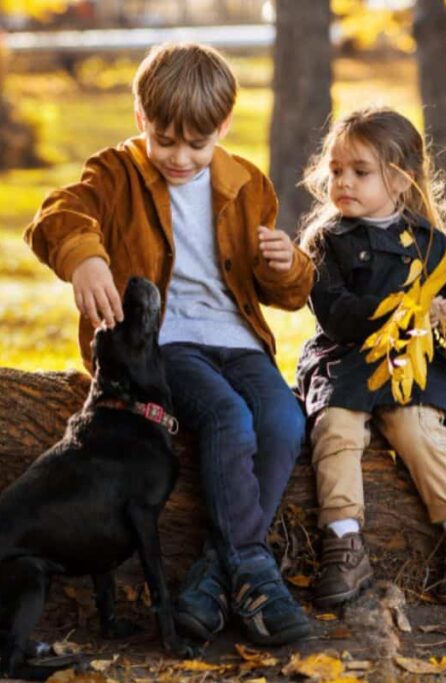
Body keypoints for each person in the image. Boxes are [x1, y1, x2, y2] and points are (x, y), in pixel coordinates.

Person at [23, 42, 315, 646]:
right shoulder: (116, 172)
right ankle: (254, 569)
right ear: (140, 119)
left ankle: (215, 574)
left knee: (285, 421)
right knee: (228, 416)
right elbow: (58, 213)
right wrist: (84, 261)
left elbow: (279, 291)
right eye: (165, 141)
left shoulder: (248, 184)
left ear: (224, 127)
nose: (179, 158)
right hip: (162, 346)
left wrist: (289, 266)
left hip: (236, 339)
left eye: (196, 145)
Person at [295, 106, 446, 607]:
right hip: (347, 358)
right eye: (337, 171)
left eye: (361, 172)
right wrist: (393, 310)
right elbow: (334, 312)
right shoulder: (325, 242)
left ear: (401, 180)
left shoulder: (429, 245)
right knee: (335, 427)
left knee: (418, 426)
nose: (344, 183)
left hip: (413, 361)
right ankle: (342, 539)